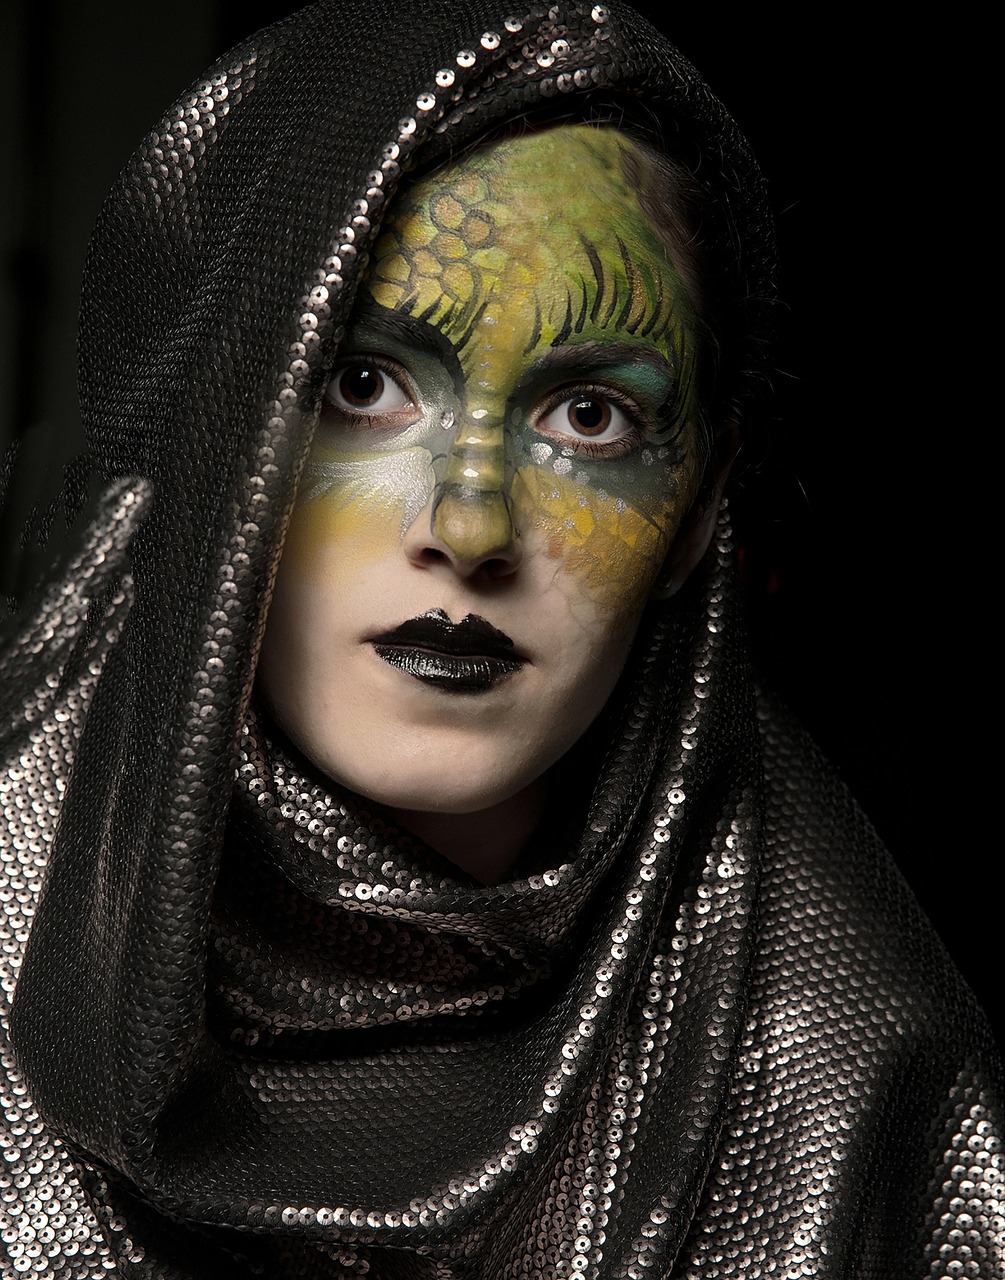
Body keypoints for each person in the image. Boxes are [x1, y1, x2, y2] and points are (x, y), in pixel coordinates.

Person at [0, 2, 999, 1277]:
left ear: (701, 504)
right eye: (363, 383)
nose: (470, 524)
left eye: (590, 416)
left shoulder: (853, 1070)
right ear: (216, 425)